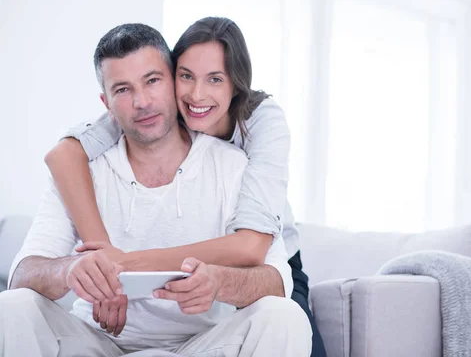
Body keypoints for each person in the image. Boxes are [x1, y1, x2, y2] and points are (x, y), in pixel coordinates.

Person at [0, 23, 312, 356]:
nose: (142, 102)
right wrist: (70, 270)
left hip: (202, 344)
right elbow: (22, 274)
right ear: (106, 102)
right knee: (12, 307)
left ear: (170, 79)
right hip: (97, 341)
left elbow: (276, 278)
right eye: (123, 89)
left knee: (284, 316)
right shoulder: (84, 167)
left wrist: (219, 281)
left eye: (152, 80)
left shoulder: (241, 160)